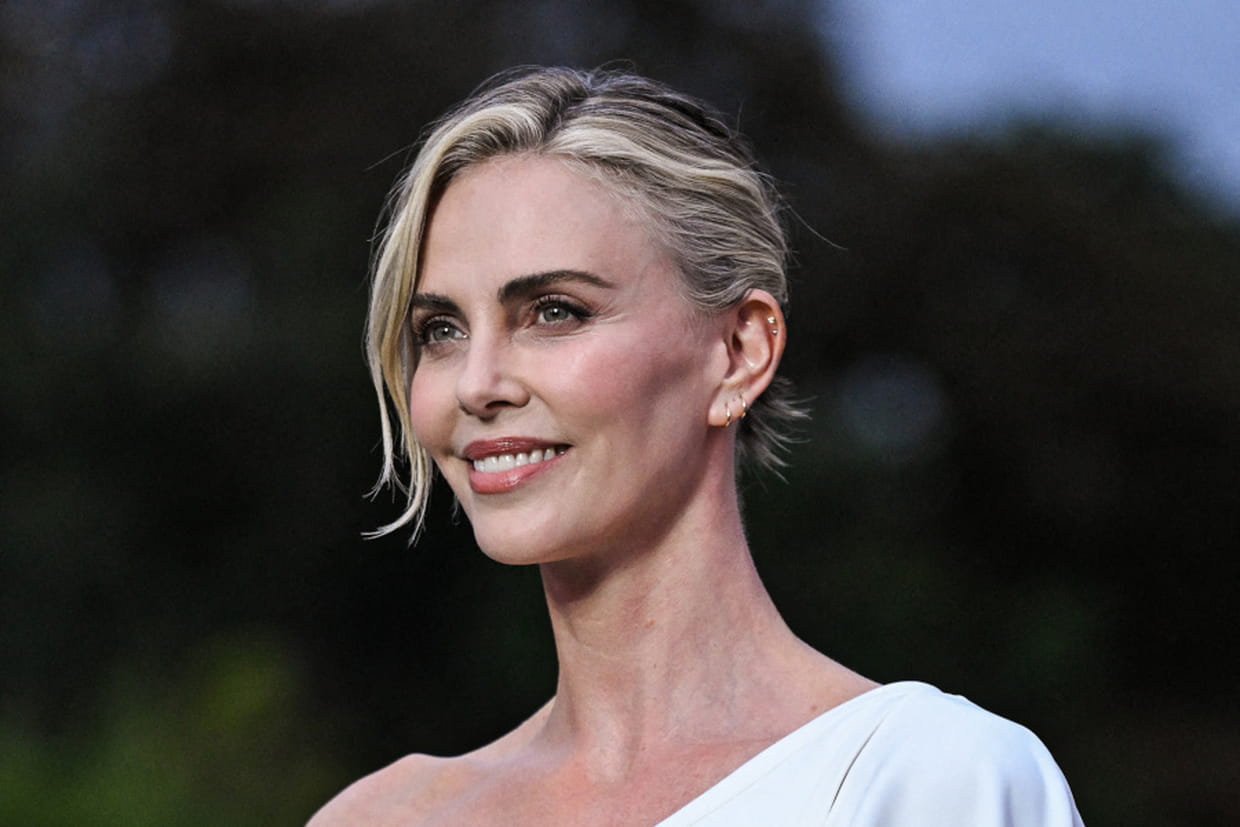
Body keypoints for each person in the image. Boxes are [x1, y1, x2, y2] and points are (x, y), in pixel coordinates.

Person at [309, 66, 1084, 826]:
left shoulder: (931, 779)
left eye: (555, 311)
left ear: (740, 351)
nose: (478, 384)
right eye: (441, 330)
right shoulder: (380, 817)